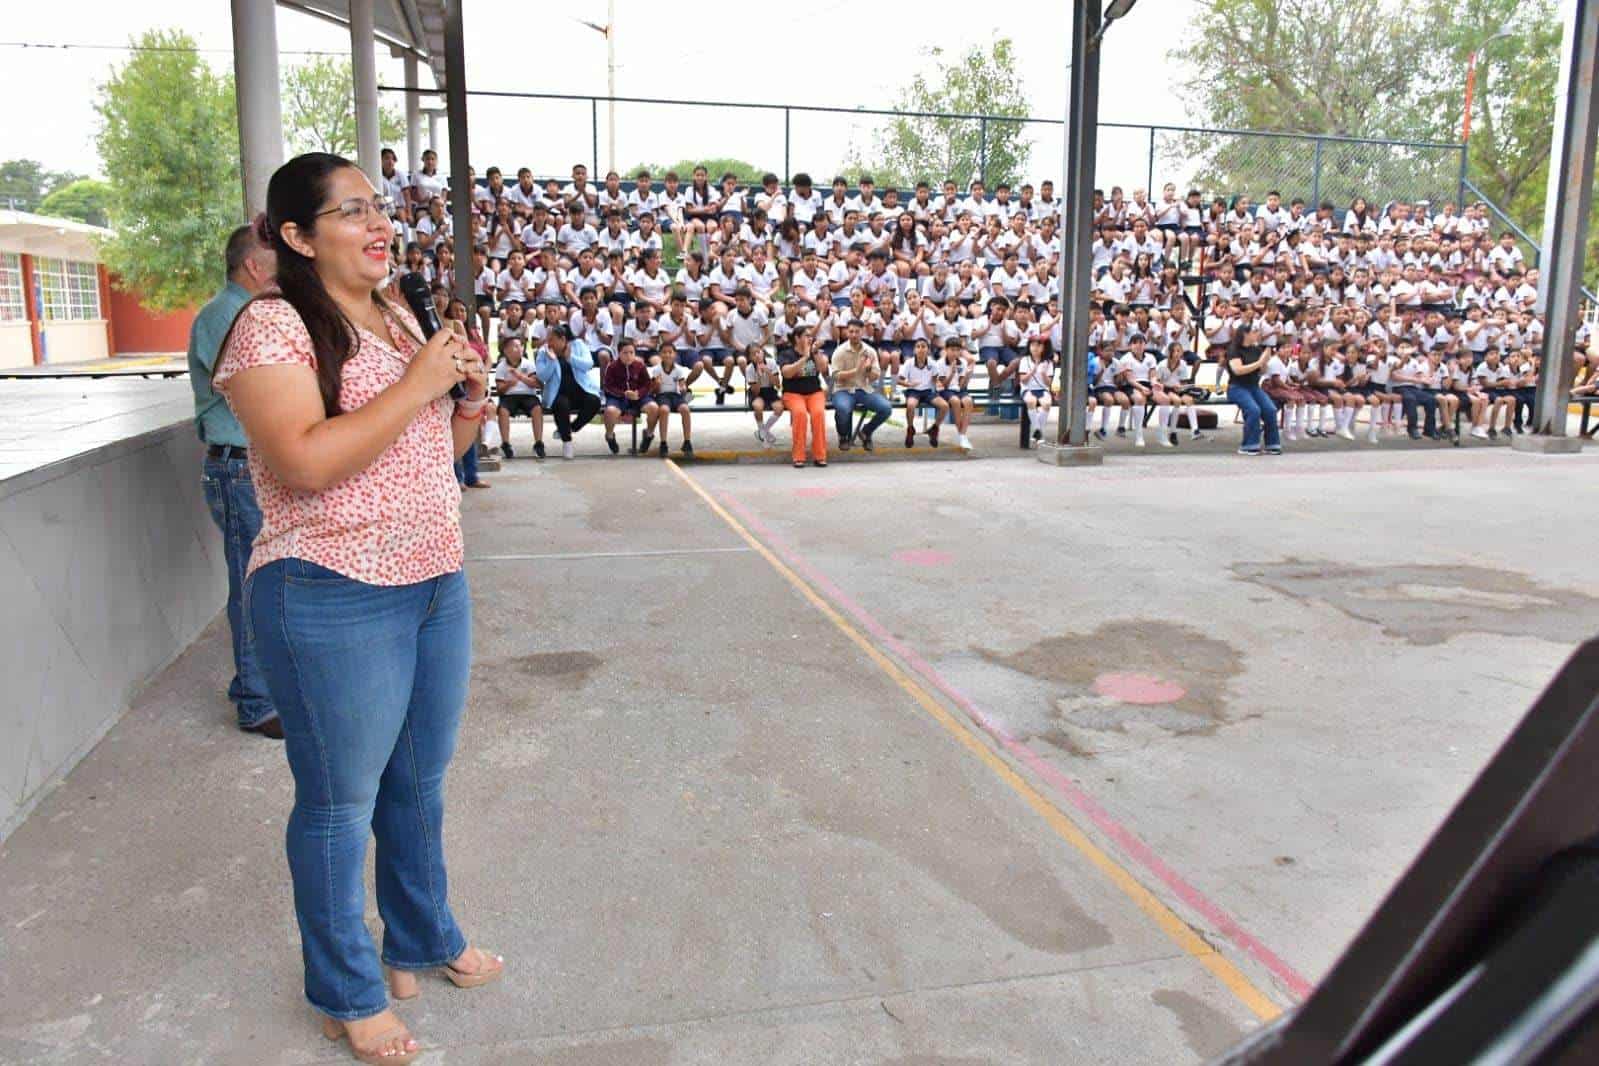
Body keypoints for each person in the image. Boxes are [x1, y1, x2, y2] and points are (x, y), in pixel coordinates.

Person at [210, 153, 502, 1064]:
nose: (377, 224)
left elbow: (428, 450)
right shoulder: (272, 327)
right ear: (295, 237)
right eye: (348, 212)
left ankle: (419, 938)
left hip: (433, 578)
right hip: (330, 588)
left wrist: (466, 403)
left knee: (419, 780)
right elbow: (300, 463)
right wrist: (416, 383)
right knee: (341, 802)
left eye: (377, 209)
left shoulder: (397, 314)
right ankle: (345, 989)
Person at [188, 223, 282, 738]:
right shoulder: (225, 316)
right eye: (274, 258)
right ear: (253, 265)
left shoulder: (243, 313)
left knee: (259, 580)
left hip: (249, 466)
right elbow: (258, 387)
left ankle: (253, 683)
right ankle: (256, 702)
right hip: (237, 467)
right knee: (251, 585)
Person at [534, 323, 602, 460]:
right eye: (548, 338)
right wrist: (552, 361)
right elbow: (542, 376)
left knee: (594, 401)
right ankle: (567, 442)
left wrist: (570, 358)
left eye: (552, 339)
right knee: (562, 405)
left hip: (580, 389)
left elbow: (588, 364)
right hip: (557, 393)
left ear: (563, 339)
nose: (549, 342)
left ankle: (572, 427)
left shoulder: (578, 345)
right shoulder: (543, 352)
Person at [830, 320, 892, 450]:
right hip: (843, 389)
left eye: (857, 332)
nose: (853, 335)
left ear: (862, 332)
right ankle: (843, 436)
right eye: (851, 331)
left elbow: (875, 377)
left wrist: (868, 369)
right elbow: (835, 376)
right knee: (843, 408)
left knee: (886, 408)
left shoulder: (870, 351)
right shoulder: (840, 351)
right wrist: (857, 370)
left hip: (863, 389)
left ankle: (866, 432)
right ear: (847, 332)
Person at [1226, 324, 1282, 455]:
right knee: (1253, 410)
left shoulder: (1256, 350)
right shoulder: (1234, 350)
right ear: (1245, 334)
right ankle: (1248, 444)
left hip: (1253, 387)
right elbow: (1238, 370)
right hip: (1237, 387)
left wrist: (1265, 363)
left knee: (1270, 409)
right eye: (1254, 331)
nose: (1257, 334)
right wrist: (1259, 362)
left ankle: (1272, 443)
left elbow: (1261, 371)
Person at [780, 326, 830, 468]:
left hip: (814, 392)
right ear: (797, 338)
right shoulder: (786, 354)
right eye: (807, 336)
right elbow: (787, 373)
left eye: (811, 336)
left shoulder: (814, 353)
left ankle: (820, 456)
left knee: (818, 414)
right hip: (792, 394)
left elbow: (822, 369)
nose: (810, 338)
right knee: (800, 414)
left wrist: (815, 353)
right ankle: (798, 456)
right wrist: (805, 357)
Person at [601, 338, 660, 455]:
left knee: (654, 408)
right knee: (610, 411)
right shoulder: (612, 367)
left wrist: (638, 393)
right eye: (625, 353)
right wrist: (623, 394)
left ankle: (648, 434)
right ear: (619, 353)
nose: (629, 356)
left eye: (631, 352)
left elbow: (647, 384)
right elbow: (607, 386)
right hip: (618, 397)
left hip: (638, 397)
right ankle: (609, 435)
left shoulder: (640, 365)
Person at [493, 336, 545, 458]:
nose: (519, 348)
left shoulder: (529, 364)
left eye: (520, 346)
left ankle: (538, 443)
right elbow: (500, 389)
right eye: (515, 346)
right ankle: (506, 444)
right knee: (503, 411)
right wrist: (509, 384)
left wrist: (520, 376)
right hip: (509, 396)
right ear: (506, 350)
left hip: (528, 395)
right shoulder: (502, 366)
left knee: (537, 409)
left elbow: (536, 384)